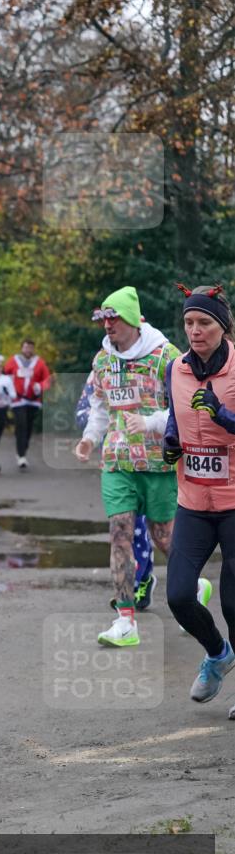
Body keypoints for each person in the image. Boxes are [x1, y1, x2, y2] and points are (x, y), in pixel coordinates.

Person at [74, 286, 184, 647]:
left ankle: (193, 587)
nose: (108, 326)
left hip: (157, 463)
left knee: (164, 538)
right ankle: (125, 620)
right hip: (117, 462)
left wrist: (151, 422)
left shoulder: (165, 356)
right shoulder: (103, 361)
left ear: (134, 320)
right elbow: (101, 407)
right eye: (104, 319)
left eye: (114, 318)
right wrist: (90, 437)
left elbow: (184, 408)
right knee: (119, 533)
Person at [163, 283, 235, 706]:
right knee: (178, 596)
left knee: (233, 605)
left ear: (222, 327)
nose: (194, 330)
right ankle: (217, 655)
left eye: (204, 322)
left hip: (233, 504)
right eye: (189, 322)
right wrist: (171, 440)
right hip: (192, 501)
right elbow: (175, 414)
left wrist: (224, 416)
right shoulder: (177, 368)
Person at [75, 372, 156, 610]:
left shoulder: (150, 366)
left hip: (150, 463)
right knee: (125, 529)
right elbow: (84, 412)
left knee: (147, 528)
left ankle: (145, 579)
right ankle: (132, 589)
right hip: (116, 465)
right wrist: (98, 431)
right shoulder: (103, 370)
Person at [4, 339, 52, 470]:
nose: (28, 350)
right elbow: (4, 374)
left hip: (33, 400)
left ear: (33, 349)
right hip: (18, 400)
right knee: (21, 424)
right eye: (26, 347)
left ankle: (23, 450)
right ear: (21, 348)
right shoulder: (14, 361)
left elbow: (47, 380)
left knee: (29, 427)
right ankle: (21, 455)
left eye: (30, 348)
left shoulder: (40, 363)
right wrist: (6, 389)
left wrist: (40, 386)